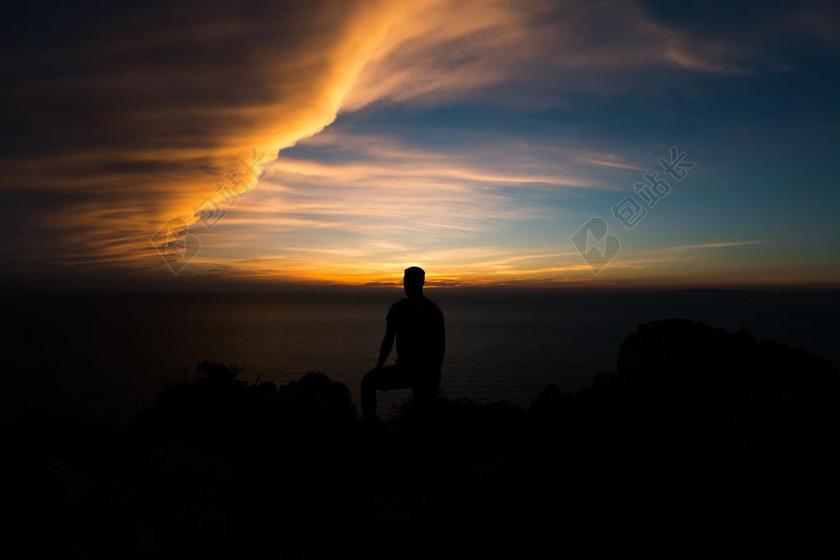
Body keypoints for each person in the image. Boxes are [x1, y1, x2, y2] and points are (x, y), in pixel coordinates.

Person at [361, 266, 445, 423]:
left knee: (368, 382)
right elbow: (440, 346)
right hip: (425, 372)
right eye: (406, 281)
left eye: (409, 281)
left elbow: (388, 341)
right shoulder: (433, 310)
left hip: (411, 370)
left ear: (421, 283)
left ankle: (370, 427)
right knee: (422, 414)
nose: (406, 285)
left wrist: (379, 367)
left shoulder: (400, 308)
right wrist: (436, 372)